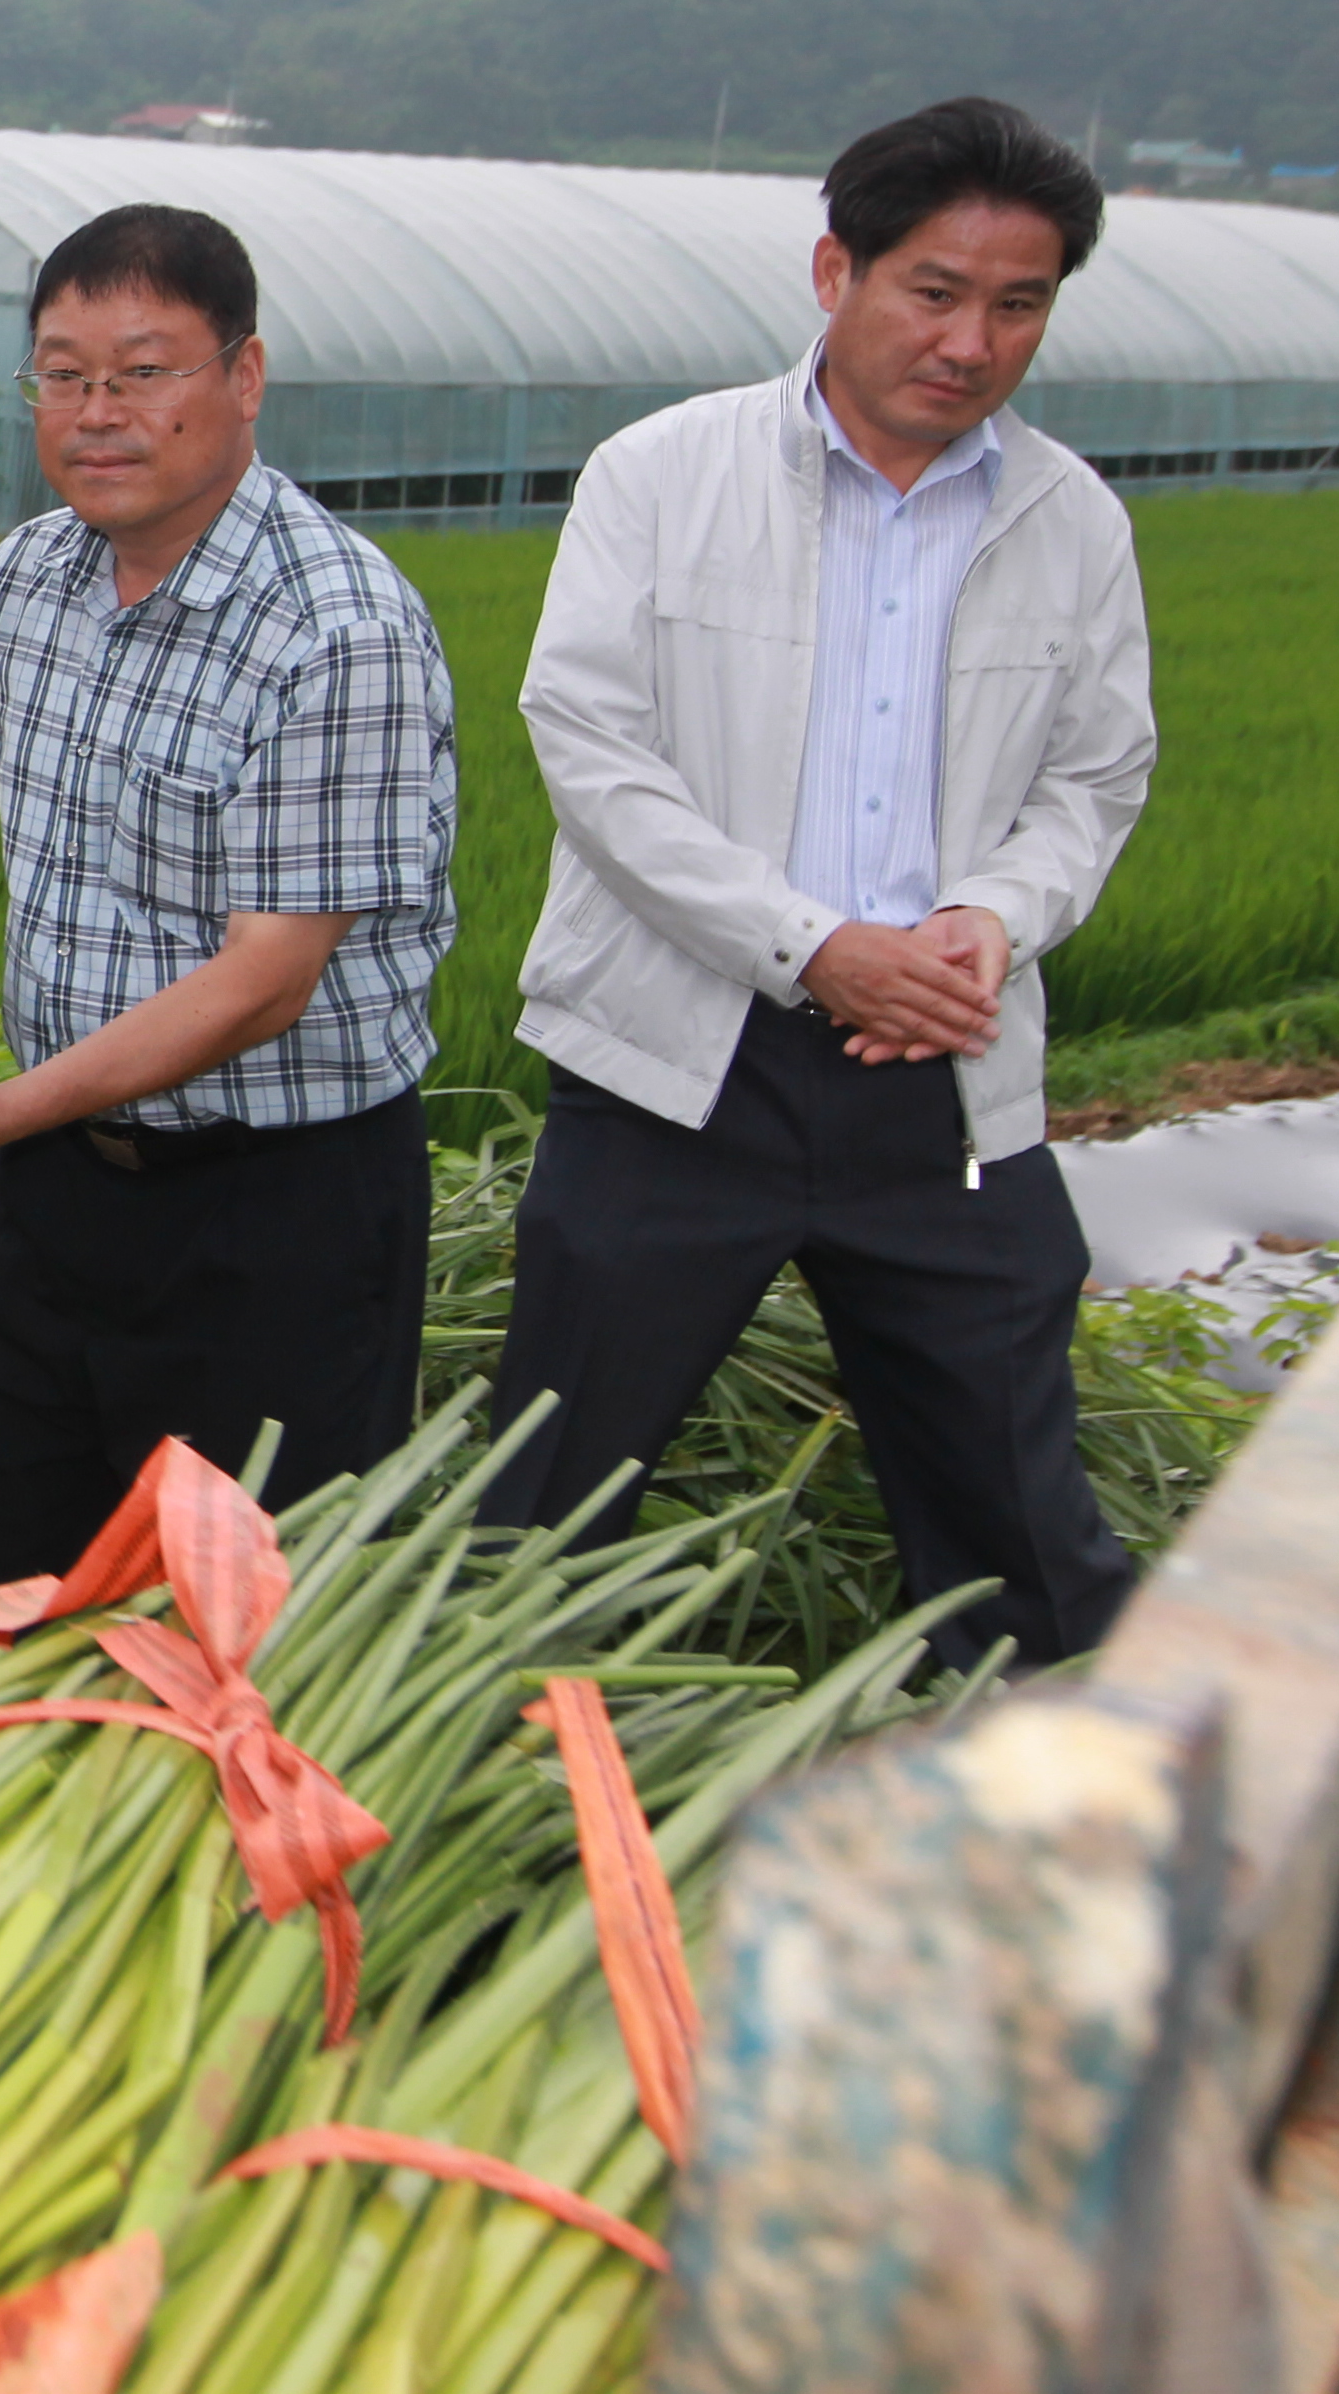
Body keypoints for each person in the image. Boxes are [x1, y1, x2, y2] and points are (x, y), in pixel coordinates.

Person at [481, 98, 1152, 1664]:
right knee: (548, 1503)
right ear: (835, 272)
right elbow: (592, 746)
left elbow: (1096, 778)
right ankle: (506, 1770)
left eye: (1019, 304)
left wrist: (990, 920)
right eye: (935, 290)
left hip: (939, 1077)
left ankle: (1053, 1780)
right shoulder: (665, 474)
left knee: (1019, 1524)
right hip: (673, 1076)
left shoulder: (1072, 522)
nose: (971, 343)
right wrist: (810, 946)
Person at [0, 204, 457, 1618]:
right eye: (64, 375)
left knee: (228, 1639)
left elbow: (266, 979)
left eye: (144, 371)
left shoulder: (337, 629)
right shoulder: (32, 573)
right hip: (53, 1187)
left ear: (245, 375)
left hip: (275, 1217)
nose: (98, 413)